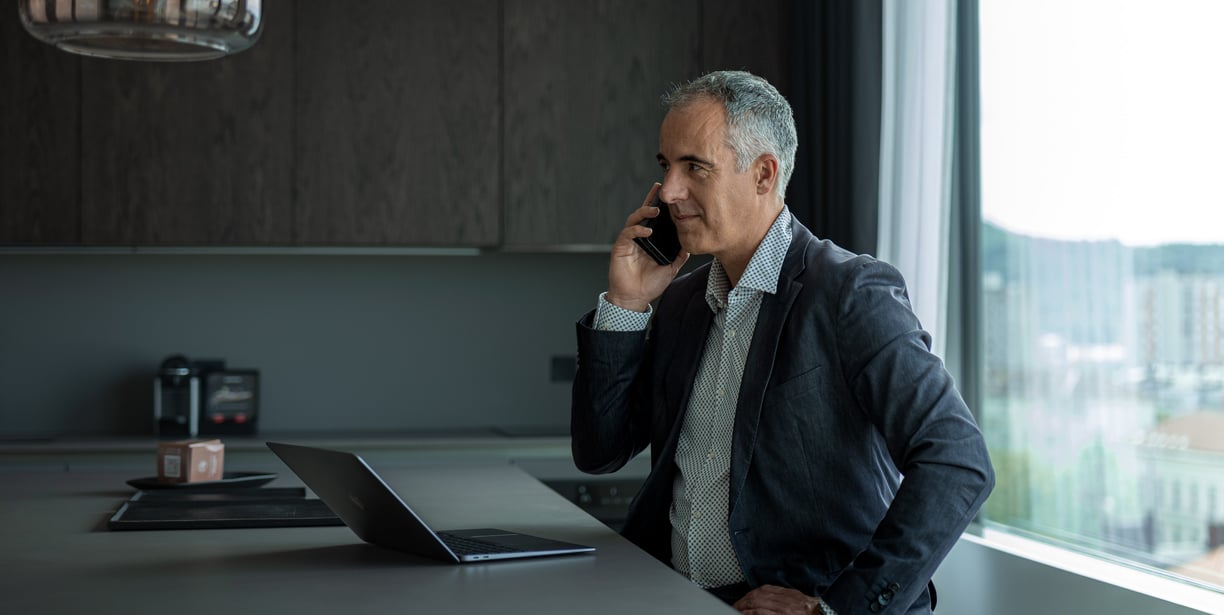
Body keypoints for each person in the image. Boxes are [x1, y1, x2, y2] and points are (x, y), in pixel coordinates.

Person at [570, 70, 995, 615]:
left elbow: (958, 457)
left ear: (764, 174)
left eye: (695, 167)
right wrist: (626, 306)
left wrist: (838, 609)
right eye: (665, 167)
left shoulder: (849, 293)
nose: (670, 192)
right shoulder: (680, 304)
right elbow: (600, 452)